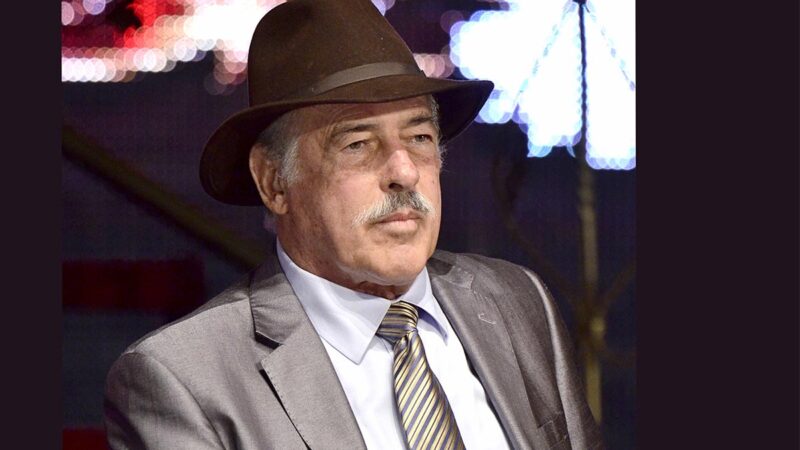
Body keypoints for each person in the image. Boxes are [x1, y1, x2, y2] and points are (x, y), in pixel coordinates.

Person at [103, 0, 603, 448]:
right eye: (358, 144)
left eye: (420, 138)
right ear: (274, 182)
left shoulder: (516, 300)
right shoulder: (183, 378)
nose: (405, 171)